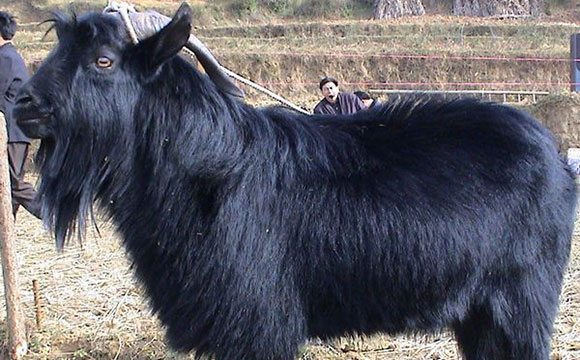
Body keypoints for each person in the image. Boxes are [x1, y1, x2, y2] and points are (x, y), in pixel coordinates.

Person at [0, 11, 41, 219]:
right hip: (15, 131)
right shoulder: (10, 56)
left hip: (12, 132)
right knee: (9, 186)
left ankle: (49, 212)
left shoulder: (5, 58)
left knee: (11, 182)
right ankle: (6, 234)